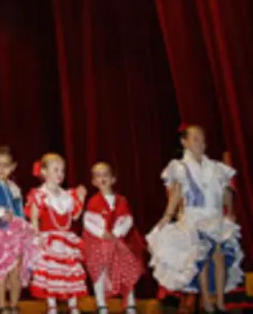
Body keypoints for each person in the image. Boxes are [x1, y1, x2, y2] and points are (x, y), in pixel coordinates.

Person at [146, 124, 243, 313]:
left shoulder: (216, 168)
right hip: (194, 217)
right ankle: (206, 300)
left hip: (214, 215)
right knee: (203, 257)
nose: (200, 142)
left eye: (202, 138)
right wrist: (167, 216)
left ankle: (220, 300)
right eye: (195, 138)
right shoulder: (180, 167)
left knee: (219, 255)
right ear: (184, 142)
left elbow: (225, 192)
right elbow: (176, 194)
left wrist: (229, 211)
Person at [25, 153, 87, 314]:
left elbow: (74, 215)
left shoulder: (68, 195)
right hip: (49, 239)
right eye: (56, 170)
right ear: (44, 172)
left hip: (66, 239)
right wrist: (36, 237)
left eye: (62, 171)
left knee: (69, 271)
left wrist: (81, 197)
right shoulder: (39, 195)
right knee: (50, 272)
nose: (60, 174)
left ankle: (72, 304)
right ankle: (51, 305)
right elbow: (34, 218)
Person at [82, 162, 144, 314]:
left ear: (113, 179)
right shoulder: (93, 201)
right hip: (98, 242)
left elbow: (128, 219)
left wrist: (117, 233)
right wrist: (102, 233)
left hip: (118, 241)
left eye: (105, 174)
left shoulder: (121, 200)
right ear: (93, 181)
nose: (102, 178)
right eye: (98, 175)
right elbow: (88, 221)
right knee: (98, 264)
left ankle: (130, 303)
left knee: (127, 265)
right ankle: (101, 303)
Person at [0, 146, 40, 314]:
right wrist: (0, 213)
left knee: (15, 269)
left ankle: (14, 306)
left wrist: (26, 228)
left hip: (16, 233)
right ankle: (1, 306)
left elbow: (19, 211)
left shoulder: (14, 188)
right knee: (1, 270)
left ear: (13, 167)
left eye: (6, 165)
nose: (1, 169)